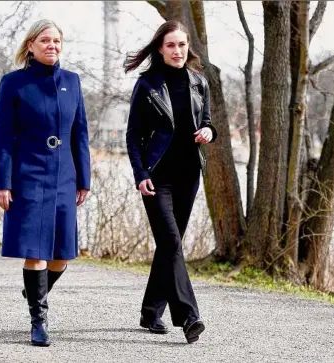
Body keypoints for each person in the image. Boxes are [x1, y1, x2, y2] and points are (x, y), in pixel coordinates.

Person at [0, 19, 90, 347]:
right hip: (28, 175)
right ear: (31, 45)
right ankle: (39, 320)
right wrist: (2, 183)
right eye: (45, 40)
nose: (52, 46)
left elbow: (81, 134)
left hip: (65, 177)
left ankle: (34, 288)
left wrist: (84, 179)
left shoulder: (73, 82)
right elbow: (3, 137)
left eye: (57, 41)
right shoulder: (14, 83)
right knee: (35, 252)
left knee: (62, 255)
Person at [124, 20, 217, 344]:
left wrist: (209, 132)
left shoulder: (198, 83)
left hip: (189, 175)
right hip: (157, 177)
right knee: (172, 242)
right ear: (160, 49)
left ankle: (151, 312)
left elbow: (207, 123)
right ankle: (189, 316)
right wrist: (141, 175)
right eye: (170, 45)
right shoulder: (148, 85)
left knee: (168, 246)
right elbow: (133, 135)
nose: (177, 51)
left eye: (182, 45)